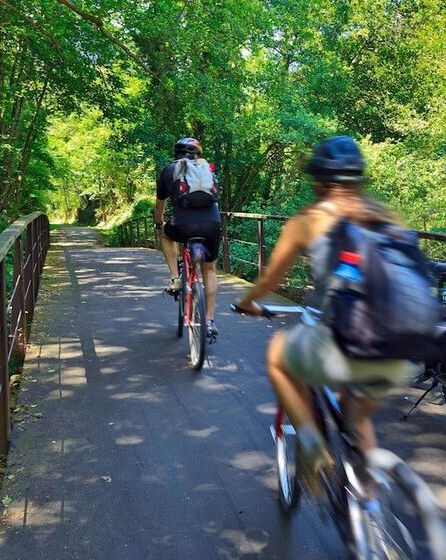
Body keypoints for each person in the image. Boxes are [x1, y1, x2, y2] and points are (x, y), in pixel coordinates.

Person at [234, 135, 417, 490]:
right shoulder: (386, 216)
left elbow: (270, 281)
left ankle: (313, 445)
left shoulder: (307, 221)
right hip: (401, 345)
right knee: (356, 416)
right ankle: (371, 505)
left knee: (277, 356)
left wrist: (247, 302)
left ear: (317, 180)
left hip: (342, 338)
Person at [154, 137, 221, 337]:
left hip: (182, 225)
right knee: (209, 270)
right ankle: (209, 320)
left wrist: (159, 223)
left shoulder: (169, 170)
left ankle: (175, 278)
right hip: (211, 224)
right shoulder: (207, 169)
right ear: (197, 153)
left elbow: (160, 204)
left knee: (166, 235)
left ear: (176, 154)